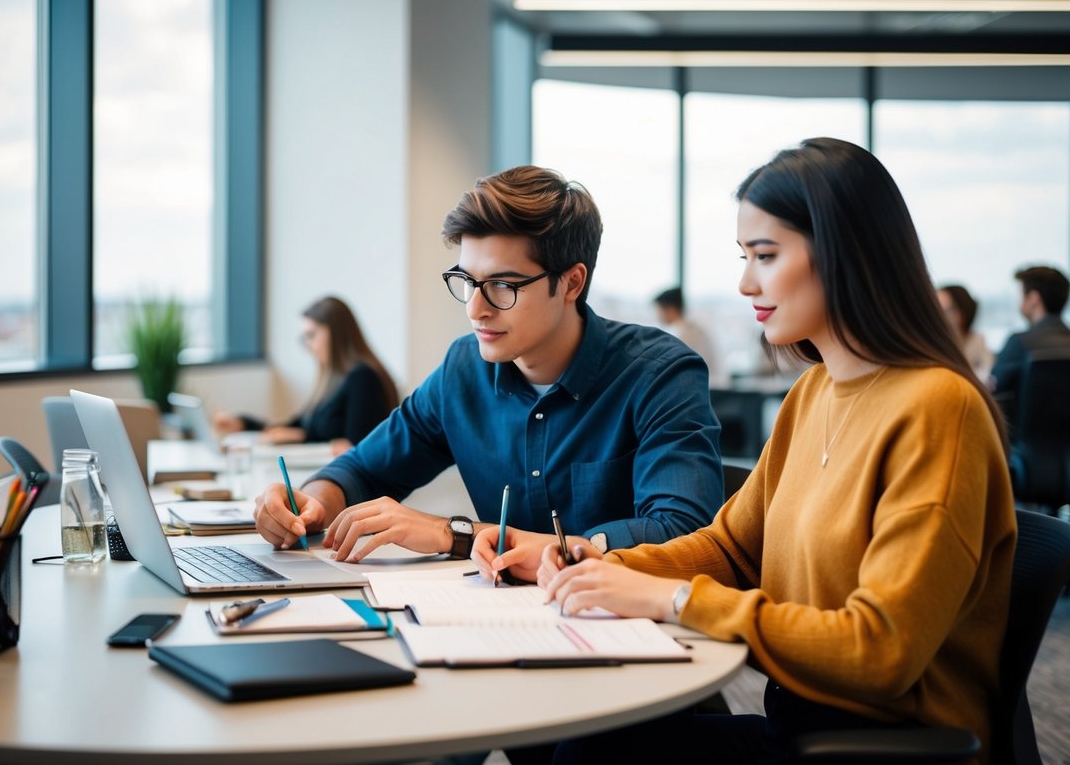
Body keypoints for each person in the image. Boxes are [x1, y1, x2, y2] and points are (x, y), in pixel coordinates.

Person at [527, 139, 1016, 764]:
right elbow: (731, 547)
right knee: (590, 745)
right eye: (744, 256)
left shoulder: (938, 410)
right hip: (804, 727)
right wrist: (611, 564)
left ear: (844, 255)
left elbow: (881, 650)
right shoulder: (815, 391)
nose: (745, 281)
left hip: (888, 748)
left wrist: (671, 600)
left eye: (765, 255)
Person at [253, 165, 724, 569]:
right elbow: (363, 469)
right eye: (466, 281)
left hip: (633, 636)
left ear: (571, 282)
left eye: (502, 285)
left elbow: (681, 535)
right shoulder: (464, 368)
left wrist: (456, 533)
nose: (476, 309)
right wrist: (311, 503)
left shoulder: (660, 374)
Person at [212, 296, 399, 447]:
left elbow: (355, 445)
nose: (308, 346)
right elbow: (298, 425)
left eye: (311, 335)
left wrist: (301, 437)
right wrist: (243, 423)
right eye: (305, 338)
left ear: (336, 332)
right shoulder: (333, 380)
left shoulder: (362, 377)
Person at [989, 265, 1070, 425]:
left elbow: (993, 388)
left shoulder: (1020, 343)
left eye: (1020, 295)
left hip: (1031, 448)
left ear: (1033, 299)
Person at [652, 287, 730, 387]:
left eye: (658, 310)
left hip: (709, 390)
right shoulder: (687, 329)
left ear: (670, 309)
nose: (657, 315)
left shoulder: (687, 335)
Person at [936, 283, 994, 382]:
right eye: (938, 310)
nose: (944, 317)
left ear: (964, 310)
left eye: (949, 310)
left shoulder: (977, 340)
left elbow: (989, 373)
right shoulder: (934, 344)